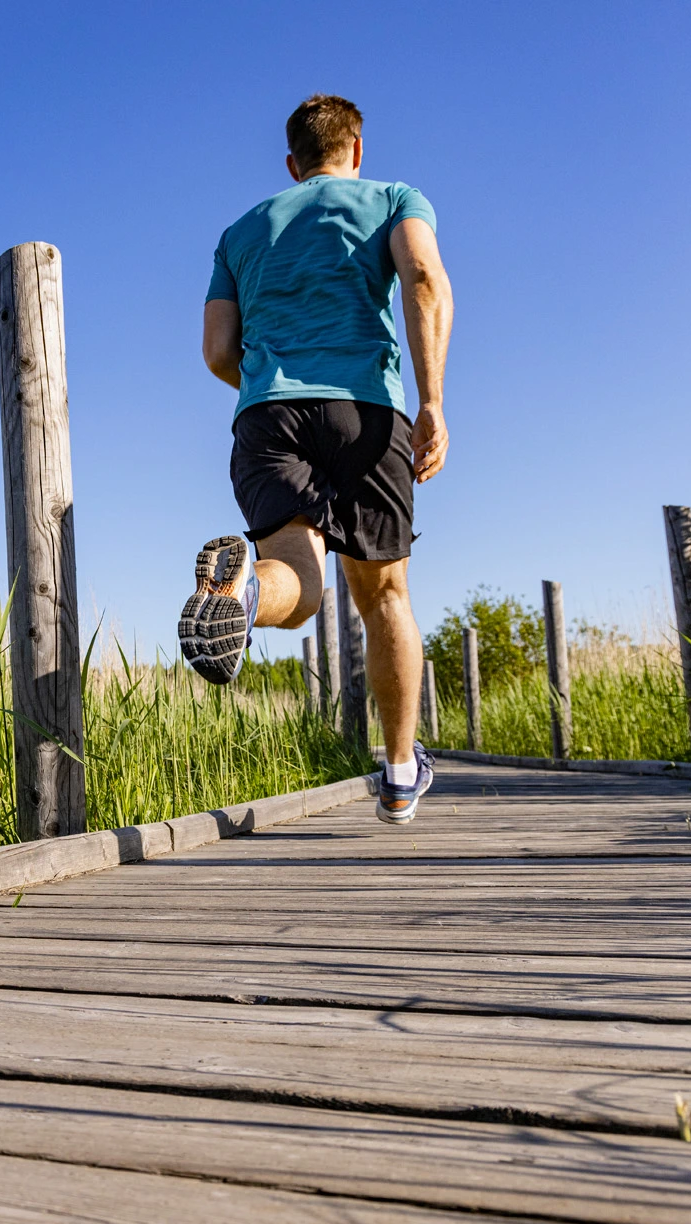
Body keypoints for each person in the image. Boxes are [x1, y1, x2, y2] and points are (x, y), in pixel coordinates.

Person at [179, 93, 454, 824]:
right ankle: (400, 772)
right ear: (356, 150)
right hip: (365, 411)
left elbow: (217, 350)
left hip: (266, 412)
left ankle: (242, 594)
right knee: (384, 595)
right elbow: (423, 279)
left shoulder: (240, 232)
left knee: (297, 584)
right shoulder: (394, 199)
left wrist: (272, 385)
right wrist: (432, 401)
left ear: (292, 164)